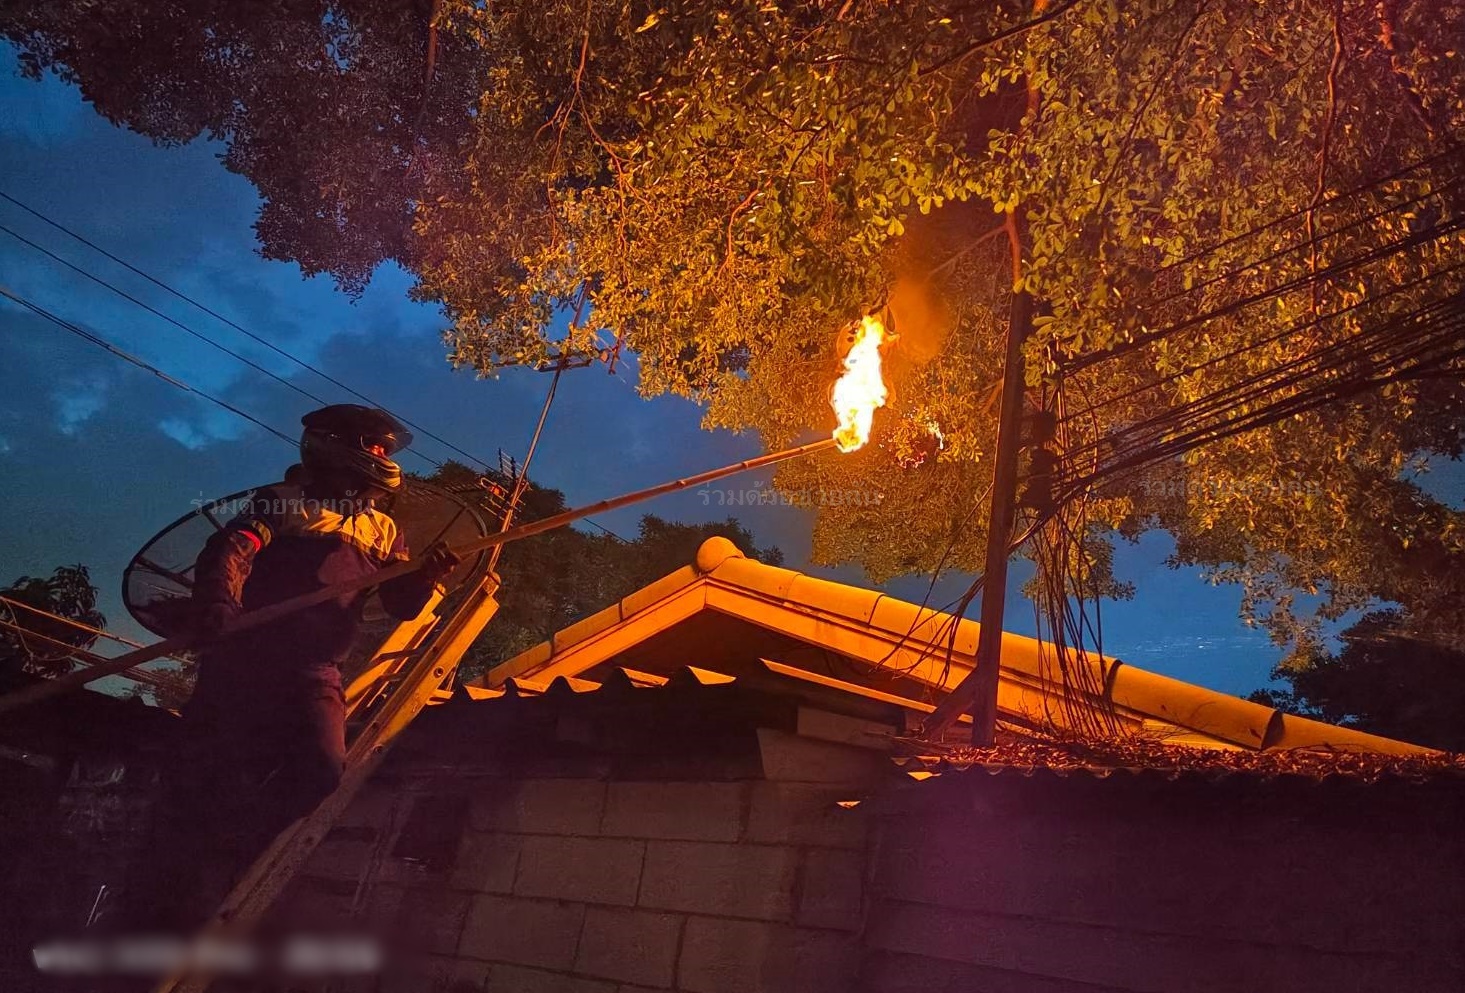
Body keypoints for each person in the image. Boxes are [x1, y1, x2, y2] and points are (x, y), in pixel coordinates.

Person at [129, 404, 459, 931]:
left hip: (316, 670)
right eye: (375, 446)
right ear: (338, 445)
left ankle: (241, 845)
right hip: (246, 662)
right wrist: (220, 602)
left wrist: (425, 577)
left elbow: (400, 604)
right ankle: (168, 889)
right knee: (203, 774)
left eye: (385, 449)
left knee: (323, 769)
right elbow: (231, 550)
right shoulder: (283, 501)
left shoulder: (384, 529)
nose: (383, 456)